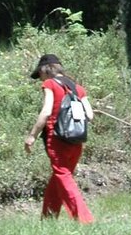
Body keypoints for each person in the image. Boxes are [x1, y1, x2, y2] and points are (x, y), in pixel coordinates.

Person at [24, 53, 95, 223]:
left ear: (45, 70)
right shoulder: (78, 88)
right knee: (59, 176)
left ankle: (85, 220)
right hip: (76, 140)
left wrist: (32, 135)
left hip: (58, 139)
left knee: (63, 176)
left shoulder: (49, 84)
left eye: (40, 75)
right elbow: (90, 115)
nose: (41, 79)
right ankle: (48, 219)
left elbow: (47, 111)